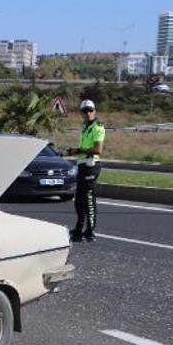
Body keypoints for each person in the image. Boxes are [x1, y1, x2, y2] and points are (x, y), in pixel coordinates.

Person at [66, 99, 105, 242]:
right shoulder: (84, 126)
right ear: (81, 113)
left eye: (90, 110)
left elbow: (98, 150)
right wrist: (76, 152)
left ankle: (89, 232)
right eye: (85, 111)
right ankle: (78, 229)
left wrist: (78, 150)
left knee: (88, 199)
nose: (88, 113)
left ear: (94, 111)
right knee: (79, 200)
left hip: (91, 166)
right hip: (82, 165)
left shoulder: (98, 127)